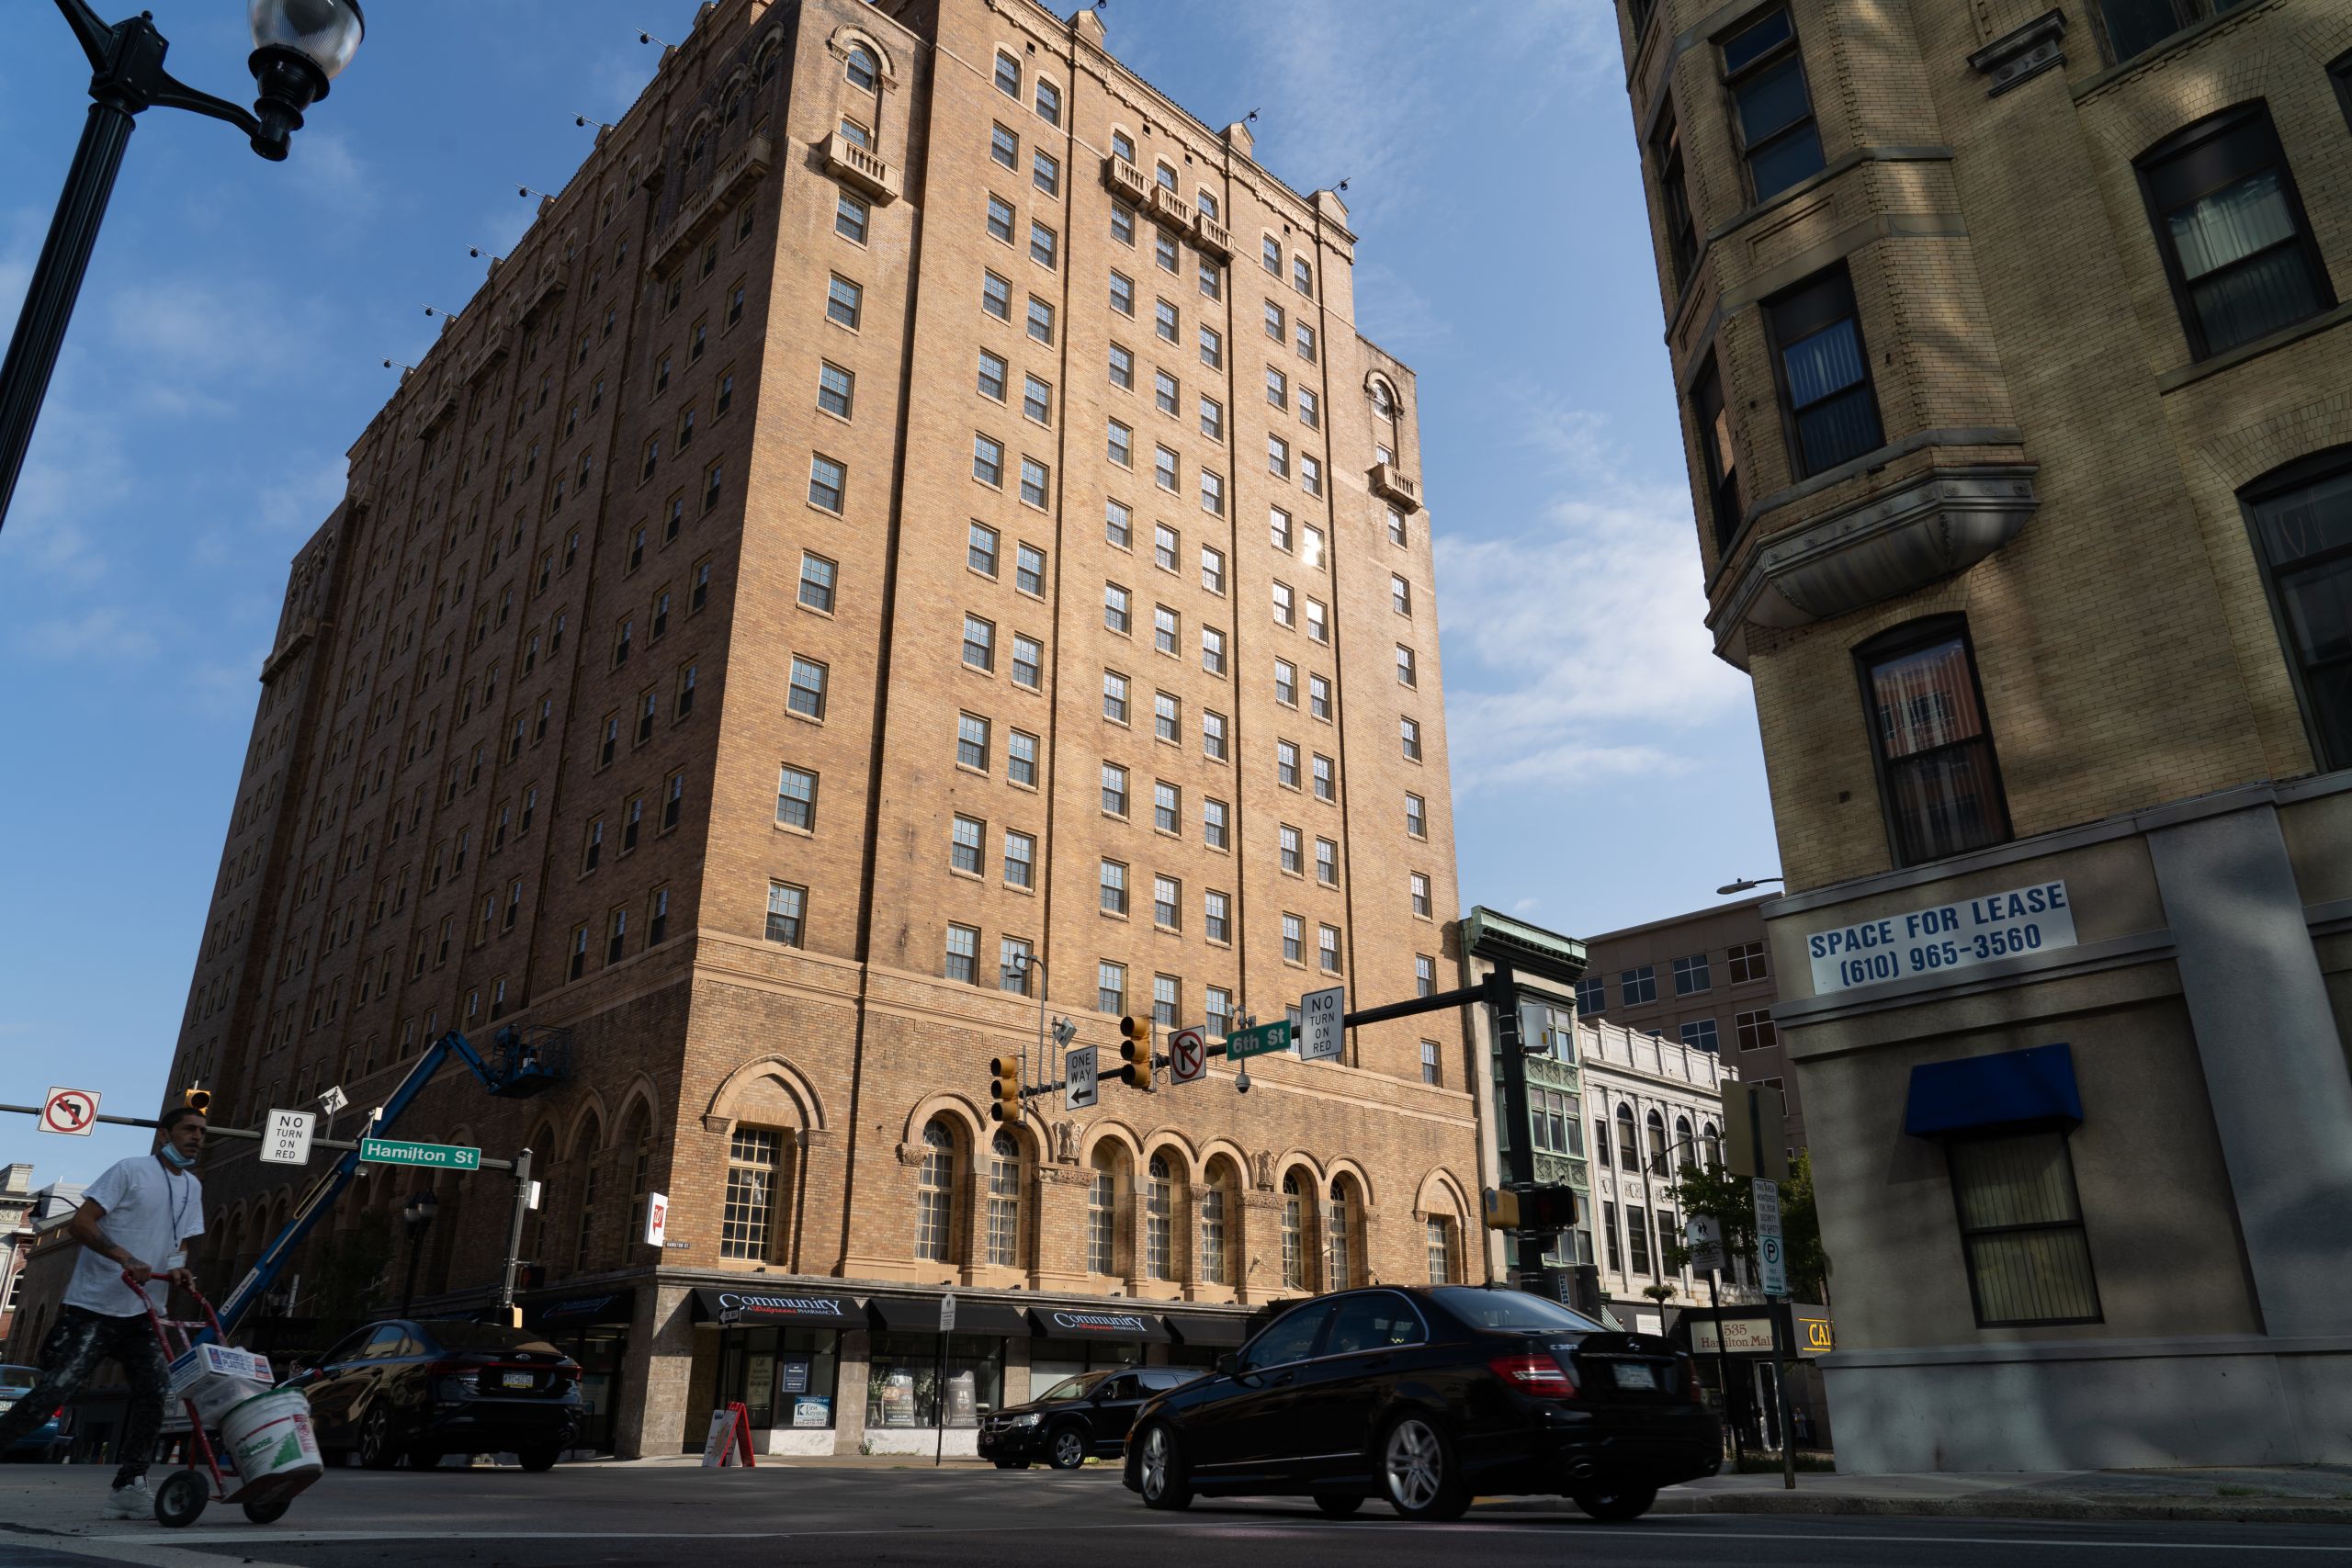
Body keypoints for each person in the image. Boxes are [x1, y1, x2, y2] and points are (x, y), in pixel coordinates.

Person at [0, 1107, 206, 1517]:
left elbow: (180, 1242)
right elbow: (82, 1223)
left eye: (202, 1131)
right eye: (189, 1129)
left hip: (144, 1312)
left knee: (154, 1395)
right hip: (94, 1307)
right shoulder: (130, 1170)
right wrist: (124, 1257)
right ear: (164, 1135)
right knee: (54, 1392)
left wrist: (178, 1268)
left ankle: (129, 1484)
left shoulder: (193, 1186)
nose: (198, 1137)